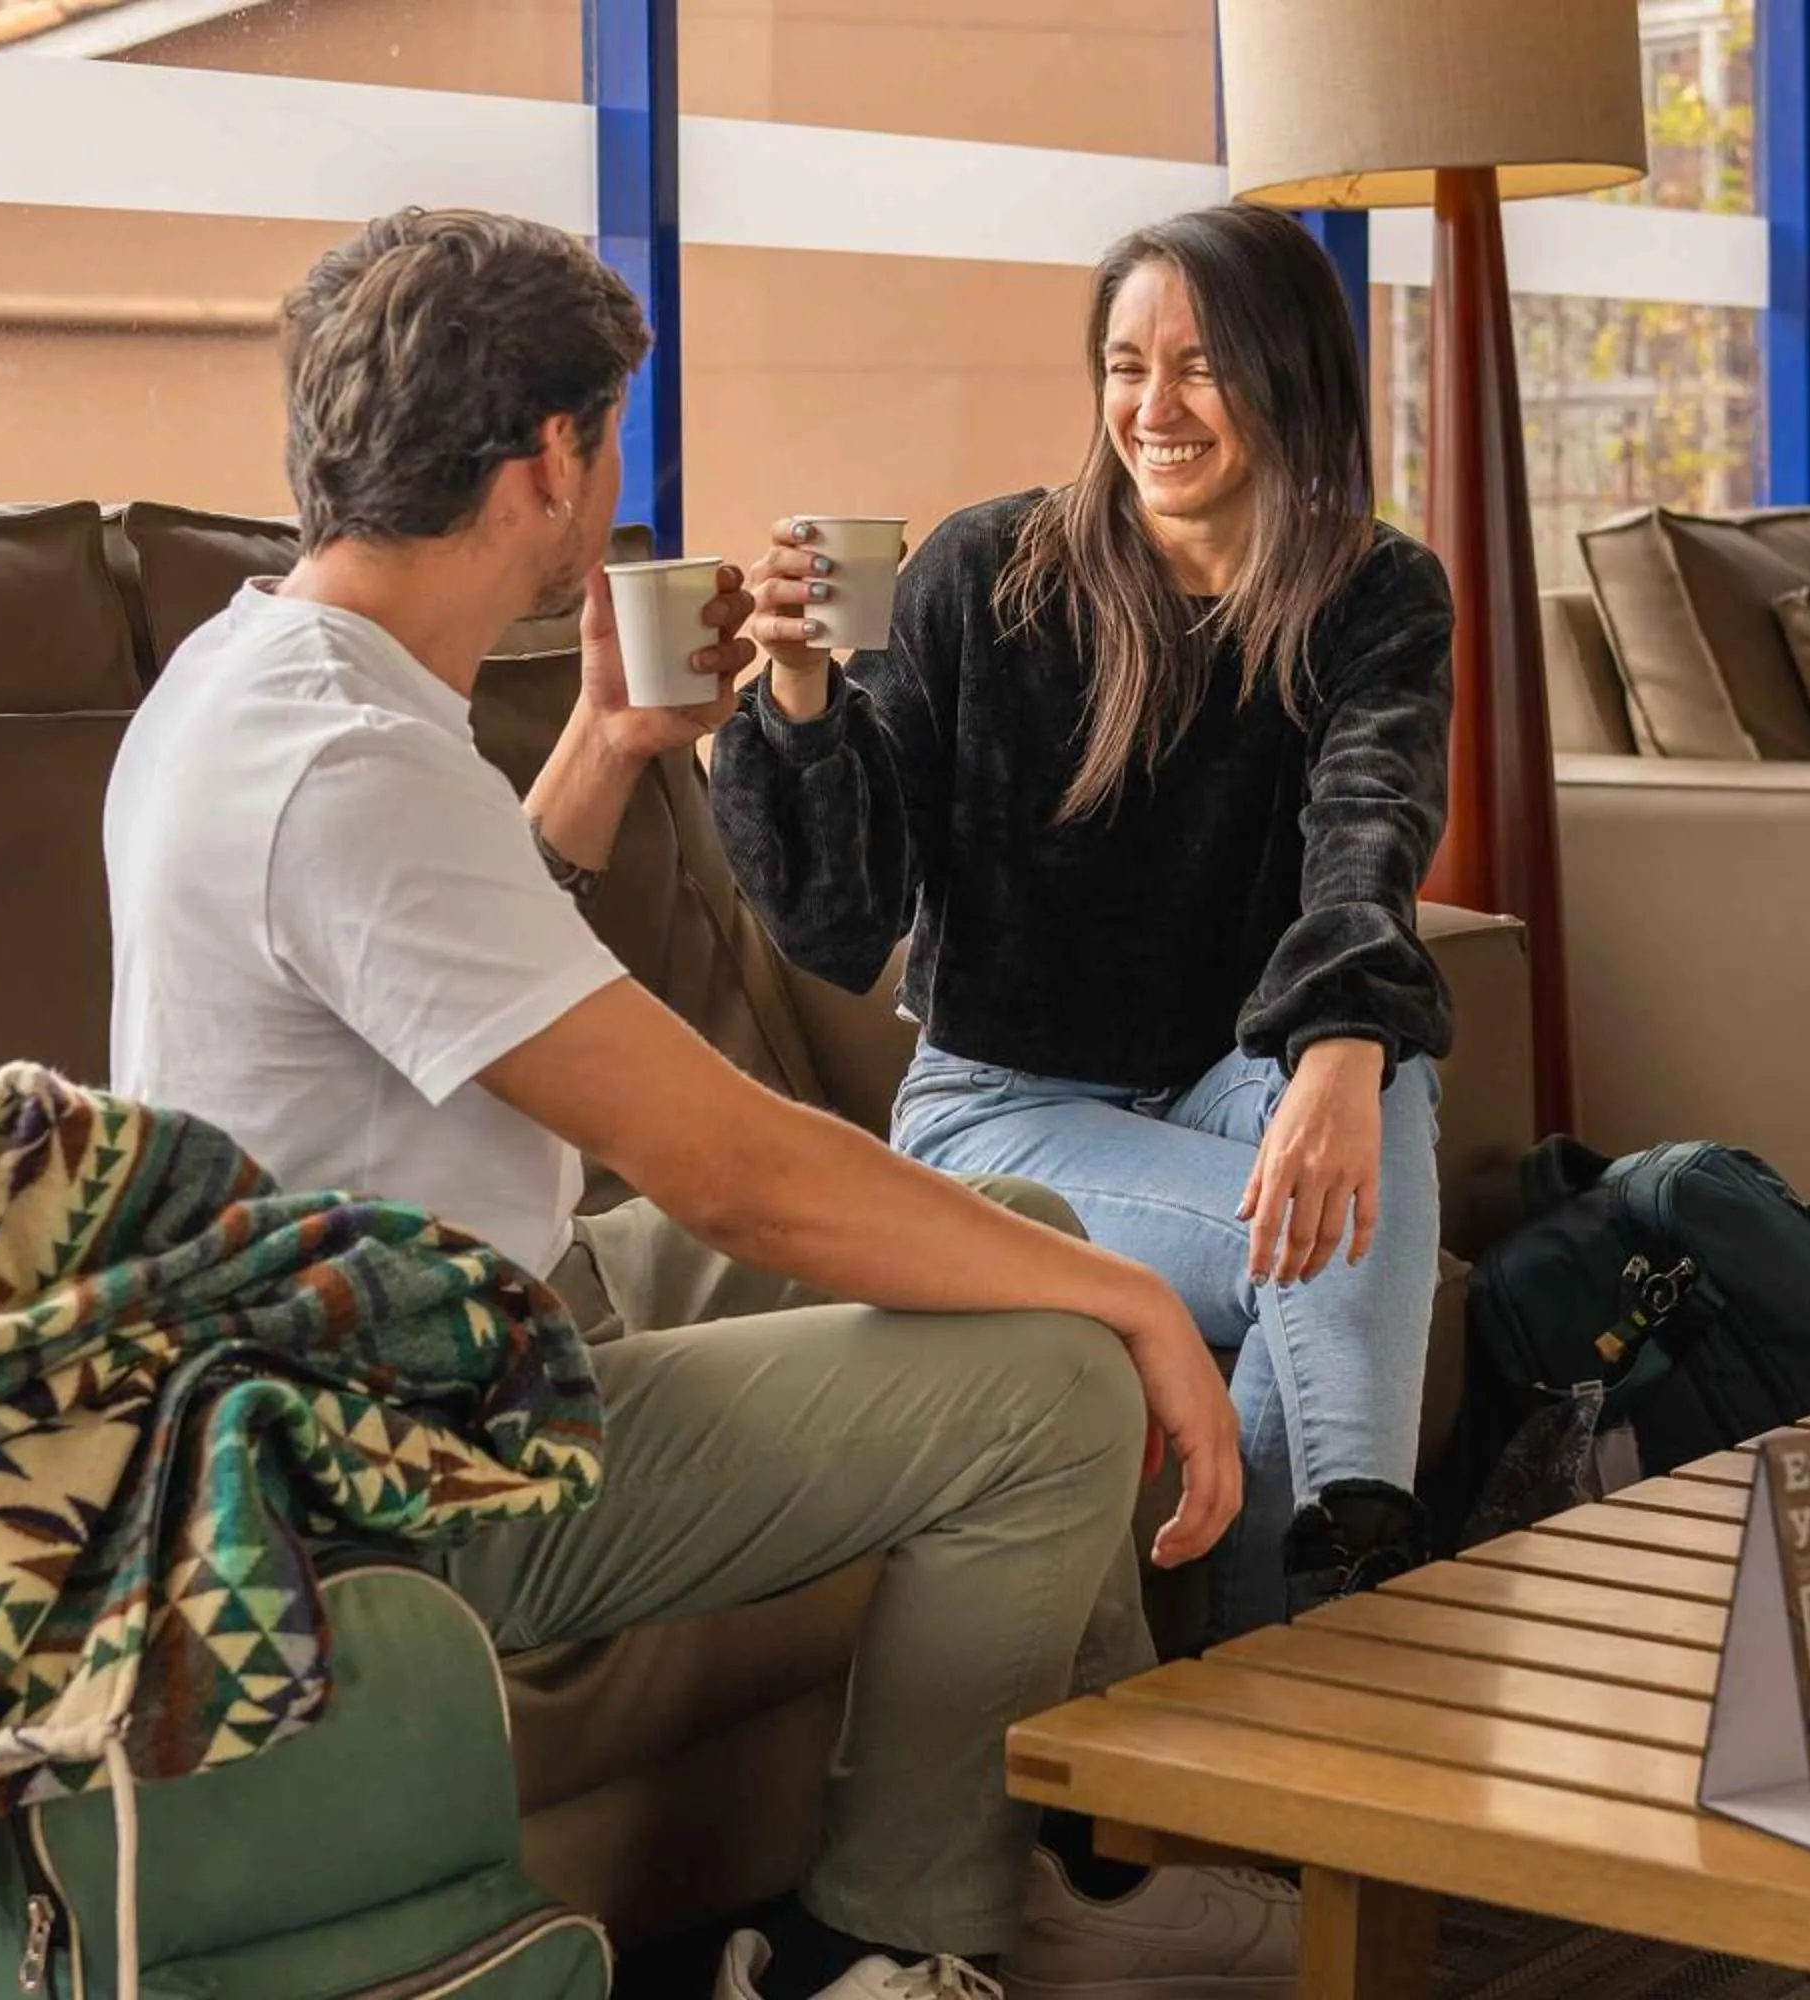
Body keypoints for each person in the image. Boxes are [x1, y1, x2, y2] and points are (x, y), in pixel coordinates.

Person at [103, 208, 1293, 2000]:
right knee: (1060, 1368)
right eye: (612, 441)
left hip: (459, 1312)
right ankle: (878, 1949)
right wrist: (1146, 1305)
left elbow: (420, 992)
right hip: (386, 1463)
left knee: (1029, 1237)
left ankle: (1033, 1859)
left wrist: (604, 753)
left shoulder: (258, 673)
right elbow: (733, 1170)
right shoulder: (342, 765)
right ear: (554, 460)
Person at [711, 204, 1456, 1644]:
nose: (1153, 409)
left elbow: (1369, 824)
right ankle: (1362, 1585)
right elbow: (839, 926)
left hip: (1229, 1077)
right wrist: (802, 704)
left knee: (1375, 1094)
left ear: (1291, 375)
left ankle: (1276, 1655)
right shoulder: (986, 577)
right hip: (999, 1112)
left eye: (1199, 366)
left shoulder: (1373, 591)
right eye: (1125, 365)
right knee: (1339, 1245)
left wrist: (1350, 1045)